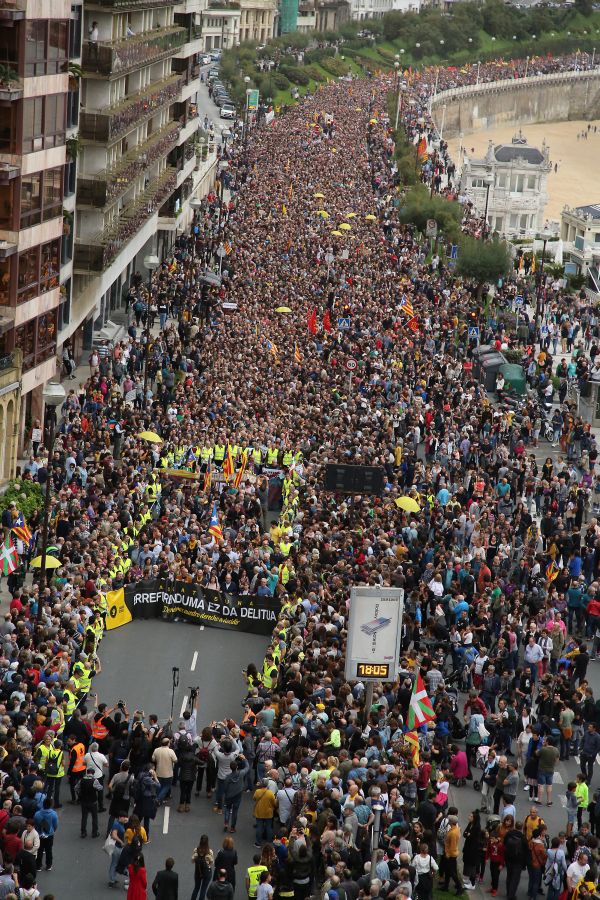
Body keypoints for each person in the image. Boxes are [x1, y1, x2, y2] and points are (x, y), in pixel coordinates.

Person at [78, 766, 100, 839]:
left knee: (84, 817)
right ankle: (94, 832)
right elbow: (100, 788)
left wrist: (80, 793)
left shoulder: (81, 780)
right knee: (94, 817)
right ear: (93, 773)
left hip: (84, 801)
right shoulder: (95, 780)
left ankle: (83, 832)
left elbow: (76, 788)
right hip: (93, 802)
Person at [191, 835, 214, 900]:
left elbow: (192, 861)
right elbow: (212, 862)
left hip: (198, 871)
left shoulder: (196, 850)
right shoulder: (209, 852)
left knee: (196, 888)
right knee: (203, 889)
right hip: (207, 873)